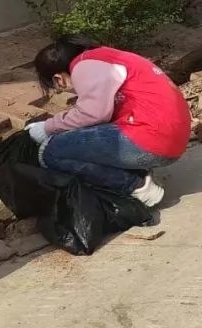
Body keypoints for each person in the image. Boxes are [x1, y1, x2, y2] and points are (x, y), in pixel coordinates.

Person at [26, 39, 191, 208]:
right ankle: (139, 171)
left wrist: (47, 127)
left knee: (51, 151)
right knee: (87, 133)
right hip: (172, 137)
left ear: (58, 79)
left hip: (153, 140)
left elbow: (91, 114)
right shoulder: (103, 57)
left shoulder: (84, 67)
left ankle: (136, 185)